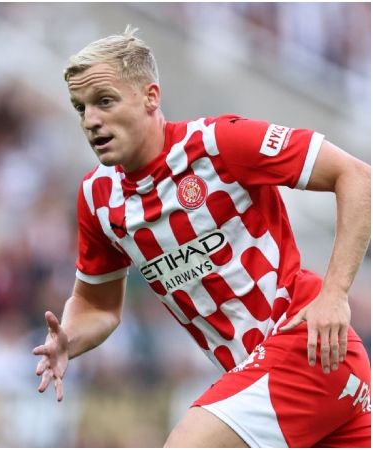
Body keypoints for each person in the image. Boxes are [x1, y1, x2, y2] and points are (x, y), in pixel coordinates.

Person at [33, 25, 371, 448]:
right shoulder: (98, 198)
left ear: (150, 97)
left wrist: (335, 294)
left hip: (305, 344)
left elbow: (356, 176)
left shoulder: (218, 143)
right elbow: (96, 305)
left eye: (104, 101)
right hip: (284, 375)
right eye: (80, 108)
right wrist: (70, 337)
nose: (91, 120)